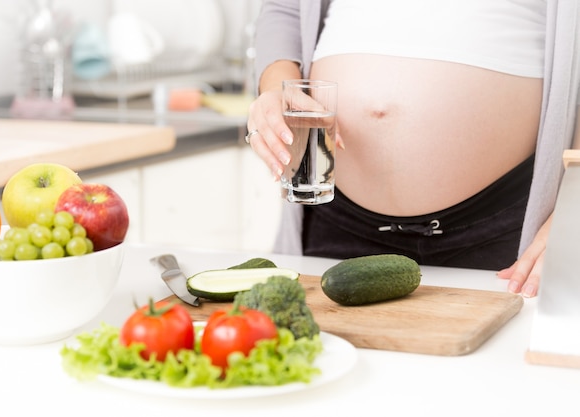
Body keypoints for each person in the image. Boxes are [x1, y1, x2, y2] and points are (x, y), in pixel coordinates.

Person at [245, 0, 580, 298]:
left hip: (508, 231)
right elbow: (285, 8)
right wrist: (275, 86)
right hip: (333, 216)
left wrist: (575, 208)